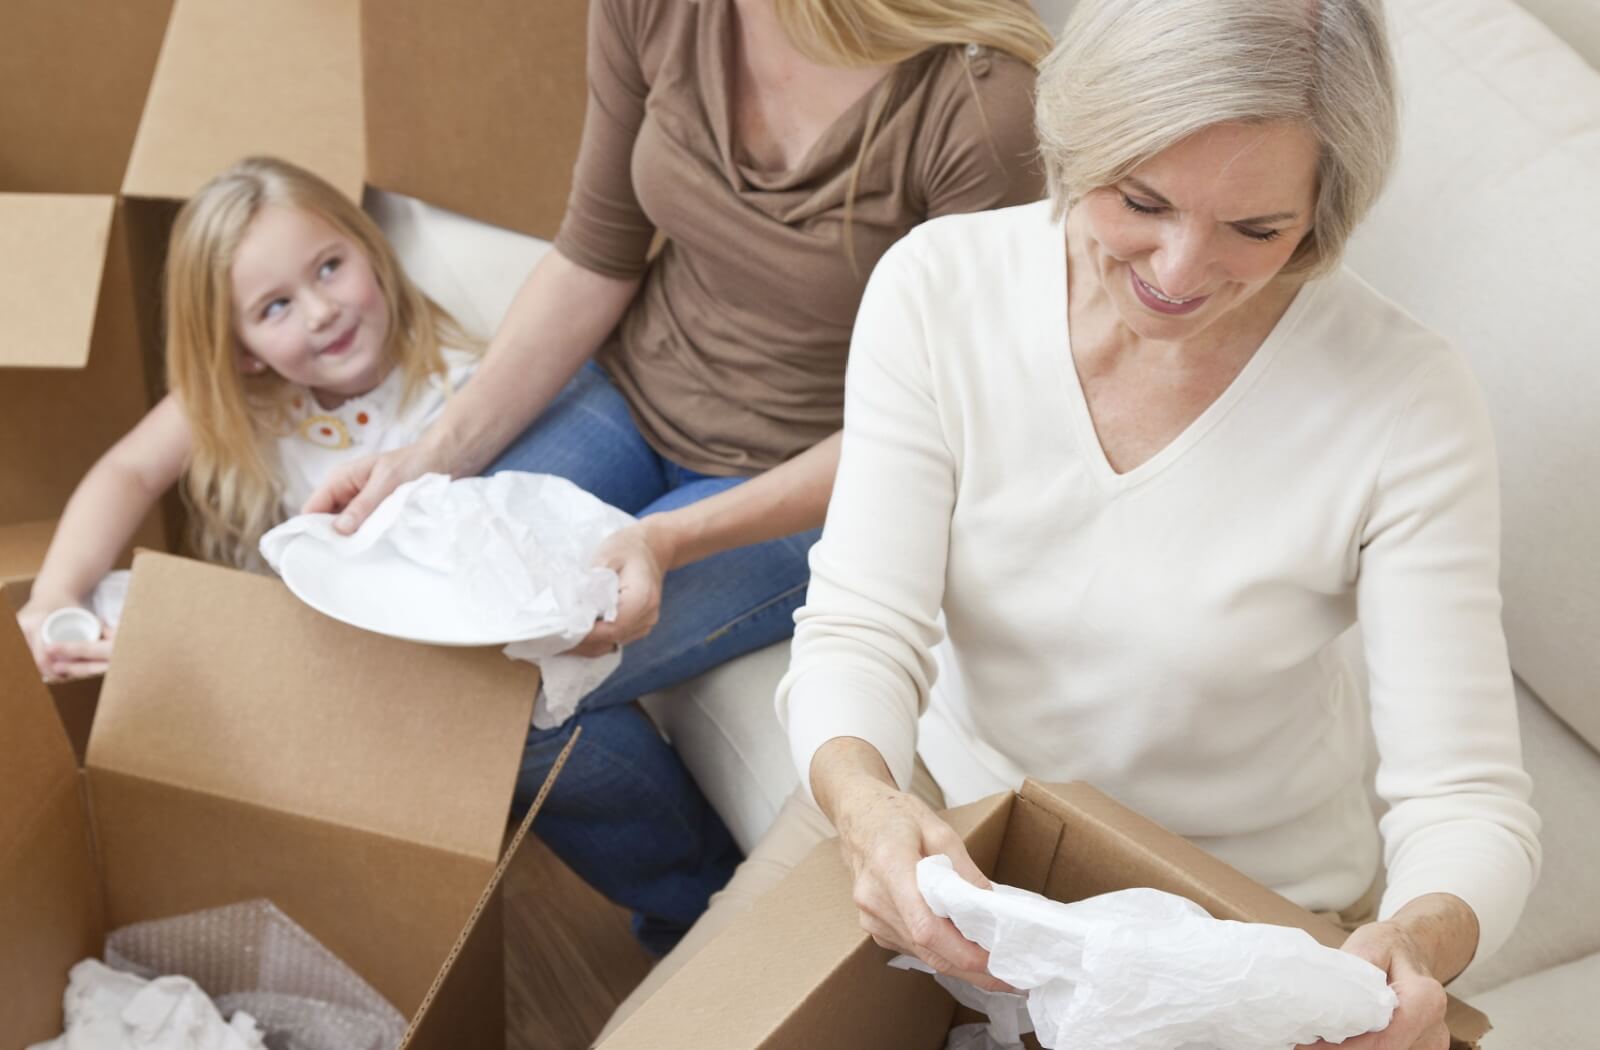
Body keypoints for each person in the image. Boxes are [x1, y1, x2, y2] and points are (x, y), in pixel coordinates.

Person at [630, 0, 1544, 1044]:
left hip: (1226, 897)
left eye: (1256, 229)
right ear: (1077, 143)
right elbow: (860, 628)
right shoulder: (941, 288)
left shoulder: (1406, 402)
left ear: (1323, 212)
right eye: (1141, 200)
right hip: (945, 811)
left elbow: (1466, 801)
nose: (1178, 273)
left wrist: (1416, 938)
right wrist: (868, 805)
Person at [304, 0, 1052, 953]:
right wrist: (425, 459)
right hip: (629, 385)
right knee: (420, 618)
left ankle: (698, 933)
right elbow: (594, 253)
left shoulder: (978, 106)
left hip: (817, 475)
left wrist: (670, 538)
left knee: (510, 693)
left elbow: (935, 424)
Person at [15, 156, 480, 680]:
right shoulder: (258, 394)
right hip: (281, 628)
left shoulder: (459, 393)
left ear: (370, 250)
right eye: (275, 306)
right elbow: (129, 472)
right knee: (99, 608)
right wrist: (54, 594)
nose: (321, 311)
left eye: (329, 267)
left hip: (394, 645)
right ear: (243, 351)